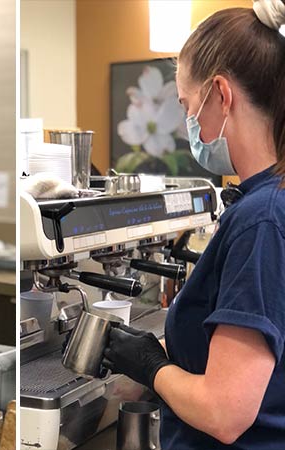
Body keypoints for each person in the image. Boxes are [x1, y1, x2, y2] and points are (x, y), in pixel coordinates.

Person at [103, 1, 285, 448]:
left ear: (221, 95)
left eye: (187, 105)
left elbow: (225, 413)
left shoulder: (260, 220)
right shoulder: (268, 202)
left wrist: (151, 367)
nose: (188, 123)